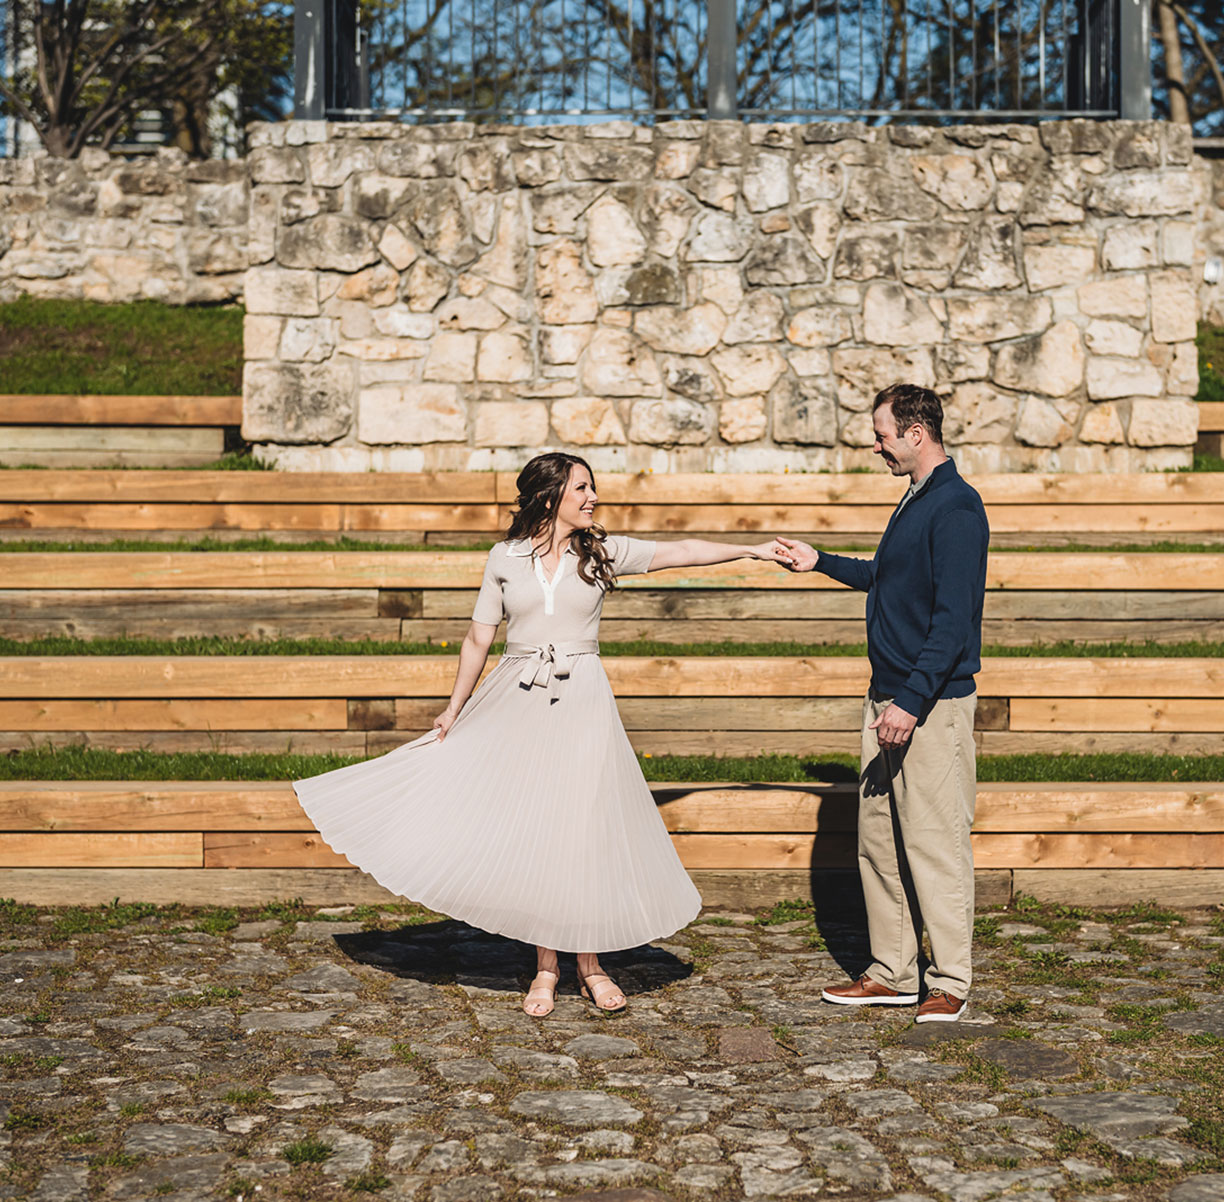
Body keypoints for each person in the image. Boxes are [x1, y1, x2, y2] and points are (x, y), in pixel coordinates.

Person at [293, 451, 786, 1018]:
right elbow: (478, 637)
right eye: (582, 488)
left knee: (583, 828)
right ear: (550, 496)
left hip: (583, 701)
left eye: (592, 487)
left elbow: (682, 552)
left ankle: (592, 965)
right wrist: (453, 710)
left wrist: (751, 547)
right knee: (540, 826)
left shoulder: (603, 552)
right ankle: (546, 968)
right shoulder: (504, 558)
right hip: (518, 697)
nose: (593, 497)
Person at [775, 383, 989, 1024]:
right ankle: (891, 972)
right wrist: (821, 562)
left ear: (916, 434)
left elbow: (953, 625)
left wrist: (912, 704)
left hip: (927, 706)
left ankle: (949, 979)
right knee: (881, 844)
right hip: (886, 699)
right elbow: (884, 576)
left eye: (883, 435)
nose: (877, 446)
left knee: (935, 844)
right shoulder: (916, 500)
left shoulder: (956, 508)